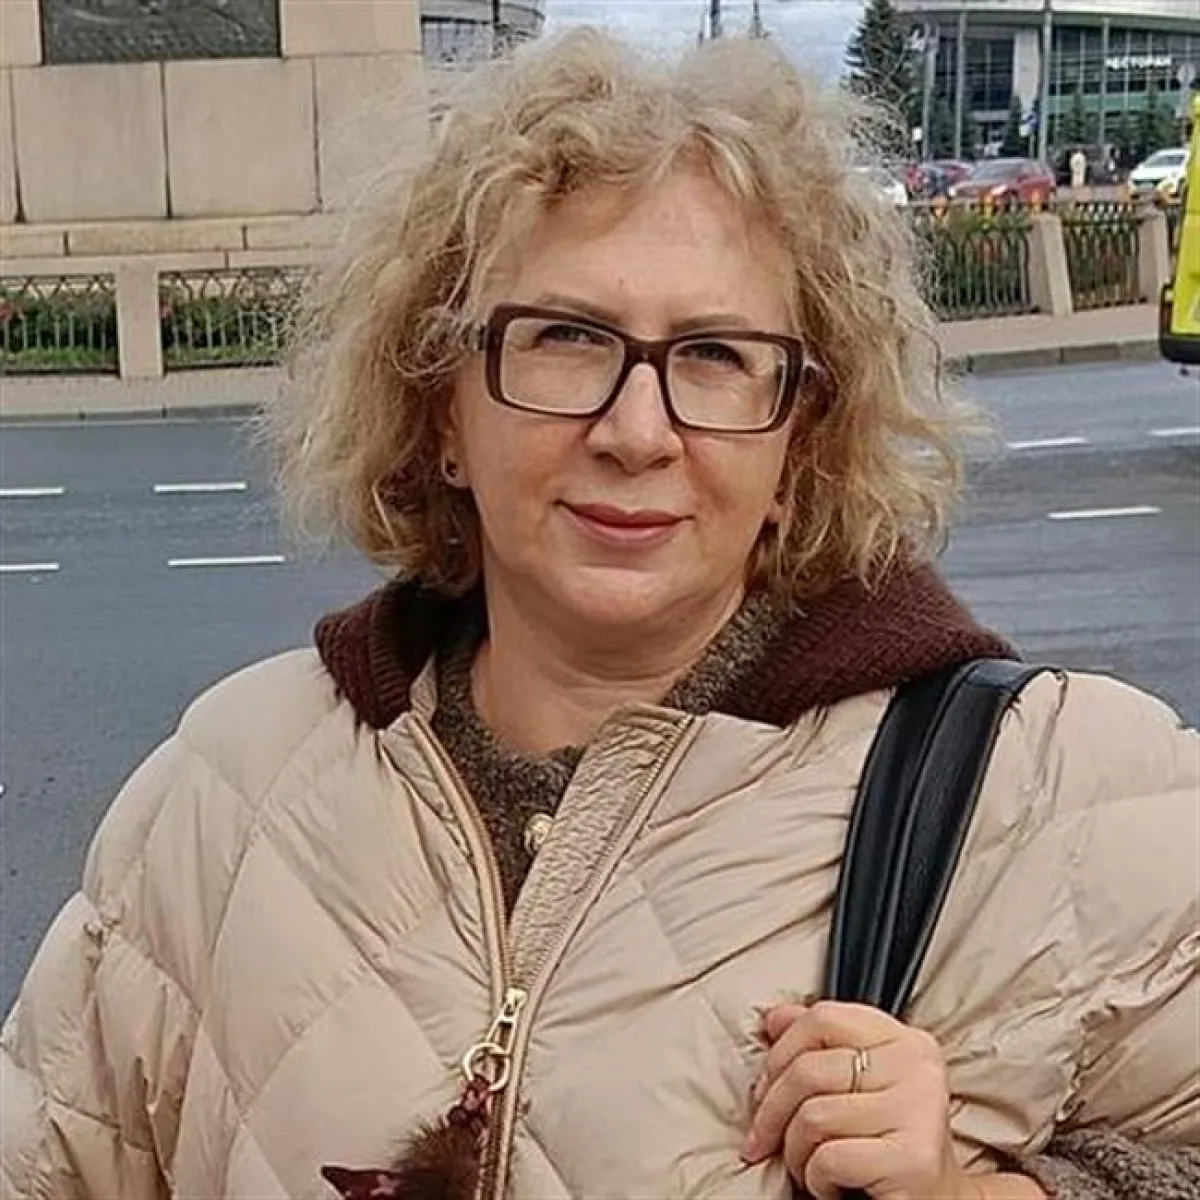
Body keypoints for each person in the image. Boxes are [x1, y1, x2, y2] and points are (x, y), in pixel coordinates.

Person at [3, 30, 1197, 1200]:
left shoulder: (1048, 796)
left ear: (800, 440)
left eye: (717, 354)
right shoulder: (228, 796)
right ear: (441, 409)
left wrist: (964, 1191)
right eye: (567, 339)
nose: (636, 431)